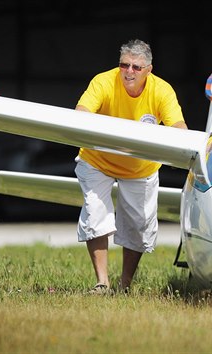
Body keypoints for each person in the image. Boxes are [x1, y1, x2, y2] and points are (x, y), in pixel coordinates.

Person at [73, 39, 188, 294]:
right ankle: (102, 283)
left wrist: (184, 144)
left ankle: (125, 285)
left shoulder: (162, 90)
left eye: (136, 67)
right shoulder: (103, 81)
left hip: (141, 167)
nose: (129, 72)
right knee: (95, 214)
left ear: (149, 69)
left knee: (138, 226)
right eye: (124, 65)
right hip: (97, 160)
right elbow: (80, 113)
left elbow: (179, 128)